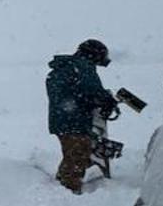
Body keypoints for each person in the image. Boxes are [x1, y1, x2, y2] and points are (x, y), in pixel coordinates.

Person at [45, 39, 118, 194]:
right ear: (94, 55)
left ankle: (62, 185)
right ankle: (68, 189)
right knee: (77, 155)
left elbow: (79, 92)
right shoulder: (82, 67)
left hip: (63, 119)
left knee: (74, 153)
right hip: (72, 120)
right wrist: (105, 100)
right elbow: (92, 90)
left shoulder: (69, 67)